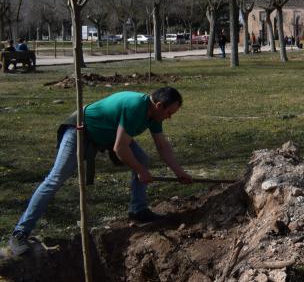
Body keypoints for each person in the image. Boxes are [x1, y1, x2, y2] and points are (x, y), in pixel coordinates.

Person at [7, 87, 192, 256]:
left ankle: (138, 210)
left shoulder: (153, 114)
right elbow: (120, 149)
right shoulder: (136, 108)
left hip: (107, 135)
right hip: (80, 129)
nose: (169, 117)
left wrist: (179, 173)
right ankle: (20, 233)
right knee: (55, 179)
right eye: (169, 113)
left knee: (141, 159)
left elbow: (162, 146)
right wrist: (140, 171)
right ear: (159, 105)